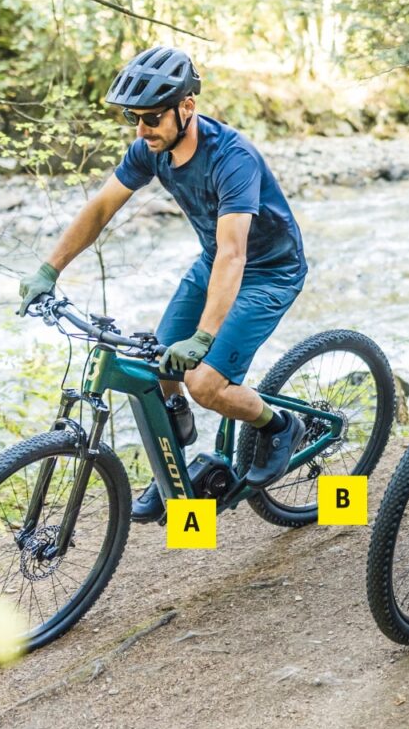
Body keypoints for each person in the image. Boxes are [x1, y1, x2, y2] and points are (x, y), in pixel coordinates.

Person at [17, 46, 307, 523]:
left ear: (186, 107)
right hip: (214, 262)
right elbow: (100, 210)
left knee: (205, 383)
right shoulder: (152, 150)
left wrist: (205, 338)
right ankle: (176, 468)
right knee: (159, 365)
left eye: (151, 117)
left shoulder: (232, 159)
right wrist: (50, 269)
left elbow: (236, 253)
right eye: (134, 117)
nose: (141, 129)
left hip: (268, 270)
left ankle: (279, 425)